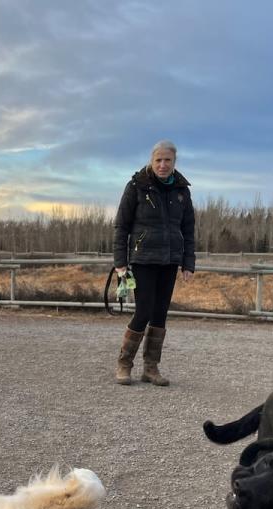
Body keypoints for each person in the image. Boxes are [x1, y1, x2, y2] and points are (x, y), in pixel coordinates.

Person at [111, 140, 195, 386]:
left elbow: (188, 229)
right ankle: (124, 364)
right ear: (151, 160)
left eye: (167, 160)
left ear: (174, 162)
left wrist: (188, 262)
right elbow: (121, 226)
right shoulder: (137, 186)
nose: (162, 164)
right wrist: (120, 263)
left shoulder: (181, 191)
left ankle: (151, 368)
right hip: (143, 259)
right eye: (158, 160)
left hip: (169, 261)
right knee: (143, 311)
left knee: (160, 314)